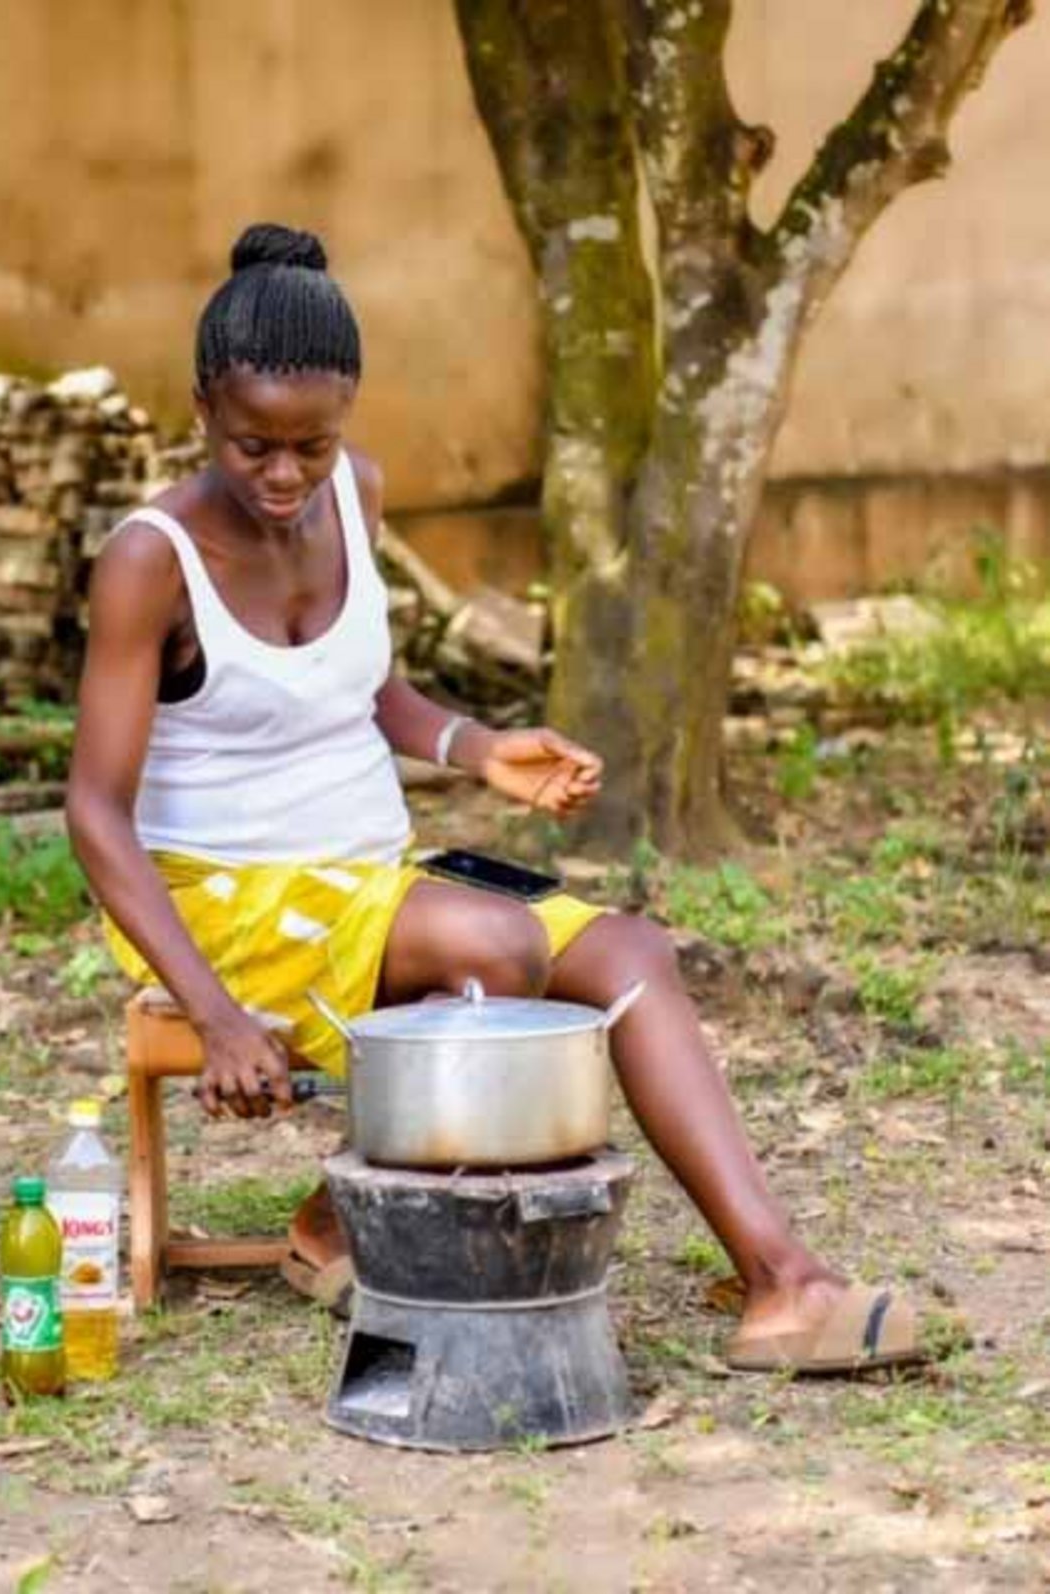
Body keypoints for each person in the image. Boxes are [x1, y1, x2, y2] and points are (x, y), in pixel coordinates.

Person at [66, 223, 919, 1374]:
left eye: (310, 446)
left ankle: (783, 1283)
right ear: (202, 405)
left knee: (629, 949)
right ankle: (350, 1217)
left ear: (349, 413)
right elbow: (95, 814)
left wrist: (477, 746)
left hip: (367, 882)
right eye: (250, 443)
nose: (281, 475)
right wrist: (213, 1013)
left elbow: (365, 689)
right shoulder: (149, 557)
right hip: (214, 898)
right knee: (494, 941)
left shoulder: (354, 496)